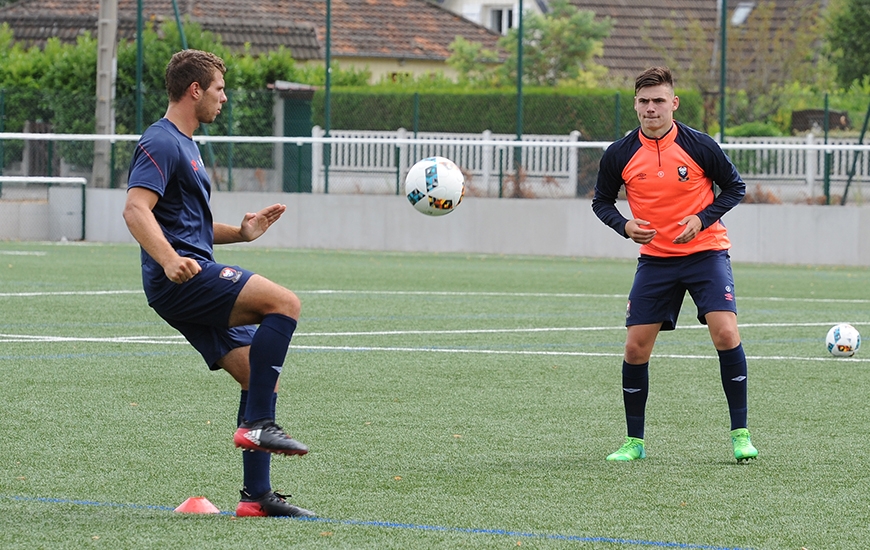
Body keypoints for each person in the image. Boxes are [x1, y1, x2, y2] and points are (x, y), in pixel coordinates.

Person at [123, 49, 315, 516]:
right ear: (195, 90)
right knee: (285, 304)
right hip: (180, 279)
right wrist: (169, 260)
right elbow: (135, 209)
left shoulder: (187, 145)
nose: (223, 99)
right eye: (219, 89)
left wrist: (241, 233)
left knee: (257, 376)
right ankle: (260, 425)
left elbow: (188, 226)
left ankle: (257, 498)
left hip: (190, 272)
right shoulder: (161, 141)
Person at [591, 66, 758, 463]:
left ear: (673, 103)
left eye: (659, 101)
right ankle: (635, 442)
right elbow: (601, 201)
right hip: (656, 261)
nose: (651, 108)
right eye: (644, 102)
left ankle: (741, 434)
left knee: (725, 333)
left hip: (706, 254)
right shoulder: (619, 153)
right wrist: (624, 225)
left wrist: (702, 219)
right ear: (635, 105)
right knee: (635, 348)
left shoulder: (700, 145)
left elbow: (735, 187)